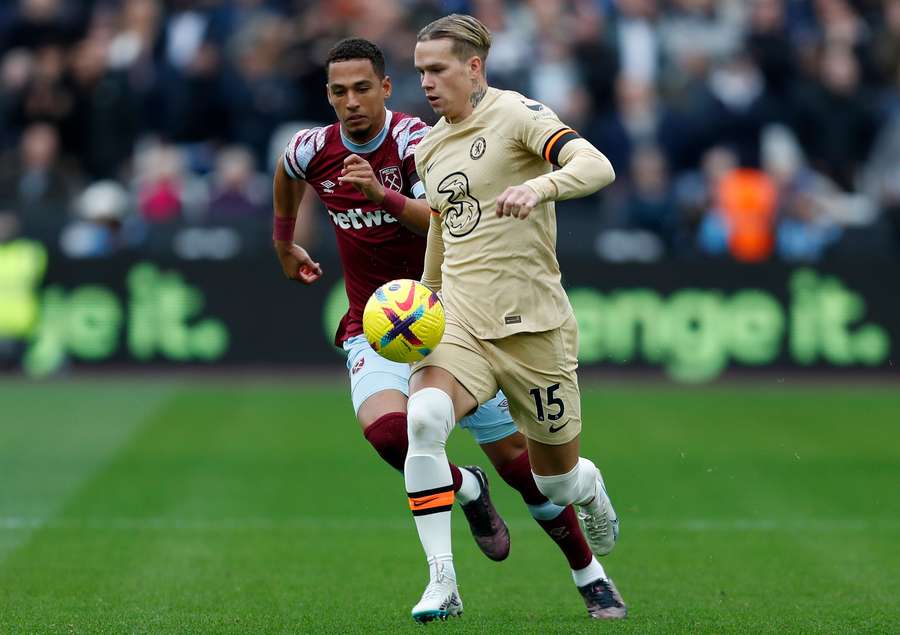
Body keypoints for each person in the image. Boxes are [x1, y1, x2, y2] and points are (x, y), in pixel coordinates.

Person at [271, 37, 607, 618]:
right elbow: (285, 172)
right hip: (378, 324)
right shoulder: (311, 147)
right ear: (327, 96)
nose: (350, 102)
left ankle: (589, 572)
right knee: (394, 436)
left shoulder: (416, 142)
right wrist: (283, 241)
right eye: (338, 91)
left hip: (454, 315)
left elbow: (444, 221)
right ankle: (461, 509)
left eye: (360, 89)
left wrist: (383, 195)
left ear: (384, 88)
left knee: (530, 473)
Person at [405, 15, 626, 621]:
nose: (426, 82)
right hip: (461, 326)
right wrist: (426, 298)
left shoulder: (520, 115)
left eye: (438, 69)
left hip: (534, 329)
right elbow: (443, 232)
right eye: (420, 70)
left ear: (474, 67)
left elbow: (599, 167)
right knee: (422, 418)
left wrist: (542, 188)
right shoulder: (428, 147)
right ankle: (442, 582)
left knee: (555, 482)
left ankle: (590, 487)